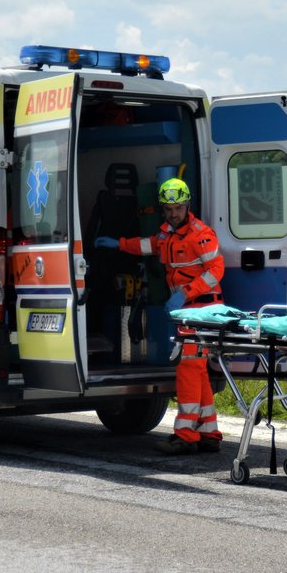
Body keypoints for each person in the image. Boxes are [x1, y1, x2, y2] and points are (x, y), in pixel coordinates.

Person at [94, 178, 225, 455]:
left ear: (187, 205)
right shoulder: (167, 234)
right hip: (187, 310)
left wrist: (186, 292)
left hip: (201, 307)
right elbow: (150, 245)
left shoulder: (200, 234)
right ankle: (209, 432)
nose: (172, 213)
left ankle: (185, 436)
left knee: (188, 368)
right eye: (167, 209)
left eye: (177, 208)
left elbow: (216, 269)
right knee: (198, 370)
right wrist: (118, 244)